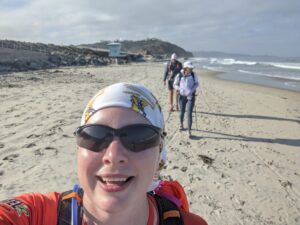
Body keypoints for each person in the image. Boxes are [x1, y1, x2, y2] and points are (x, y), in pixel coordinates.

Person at [0, 82, 207, 225]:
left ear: (159, 156)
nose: (114, 155)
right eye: (95, 135)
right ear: (79, 149)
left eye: (139, 137)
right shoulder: (38, 215)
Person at [173, 61, 199, 138]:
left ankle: (189, 131)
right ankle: (181, 124)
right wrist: (179, 89)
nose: (191, 69)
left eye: (192, 68)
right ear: (185, 68)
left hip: (191, 97)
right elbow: (174, 84)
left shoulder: (194, 75)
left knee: (189, 113)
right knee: (182, 112)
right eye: (189, 68)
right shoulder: (179, 75)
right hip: (181, 97)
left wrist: (192, 90)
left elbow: (197, 83)